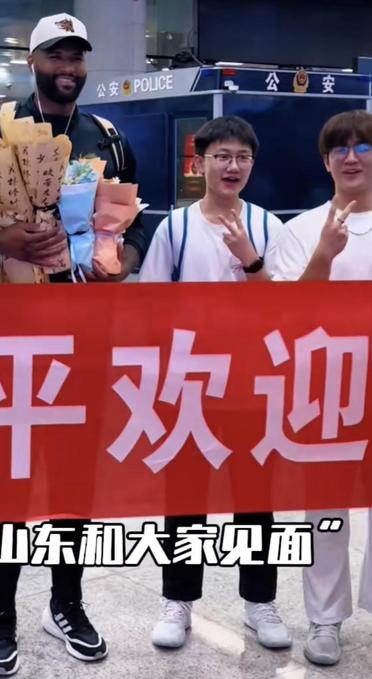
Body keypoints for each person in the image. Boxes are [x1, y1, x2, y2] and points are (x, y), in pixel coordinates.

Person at [0, 12, 146, 676]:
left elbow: (135, 220)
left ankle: (67, 603)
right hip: (7, 334)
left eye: (76, 56)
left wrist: (121, 260)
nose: (67, 67)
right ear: (32, 62)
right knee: (5, 475)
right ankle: (0, 618)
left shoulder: (107, 138)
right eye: (55, 54)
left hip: (83, 332)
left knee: (73, 474)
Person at [139, 116, 292, 651]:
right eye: (222, 156)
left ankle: (259, 602)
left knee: (255, 496)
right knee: (185, 497)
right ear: (199, 162)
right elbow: (151, 308)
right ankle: (178, 601)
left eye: (242, 157)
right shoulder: (175, 228)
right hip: (190, 383)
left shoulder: (270, 227)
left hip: (252, 383)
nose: (232, 166)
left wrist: (250, 260)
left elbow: (285, 310)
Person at [267, 109, 372, 666]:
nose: (352, 158)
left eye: (364, 147)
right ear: (326, 161)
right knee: (325, 508)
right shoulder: (302, 230)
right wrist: (325, 256)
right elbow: (288, 317)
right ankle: (325, 619)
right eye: (340, 149)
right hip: (327, 386)